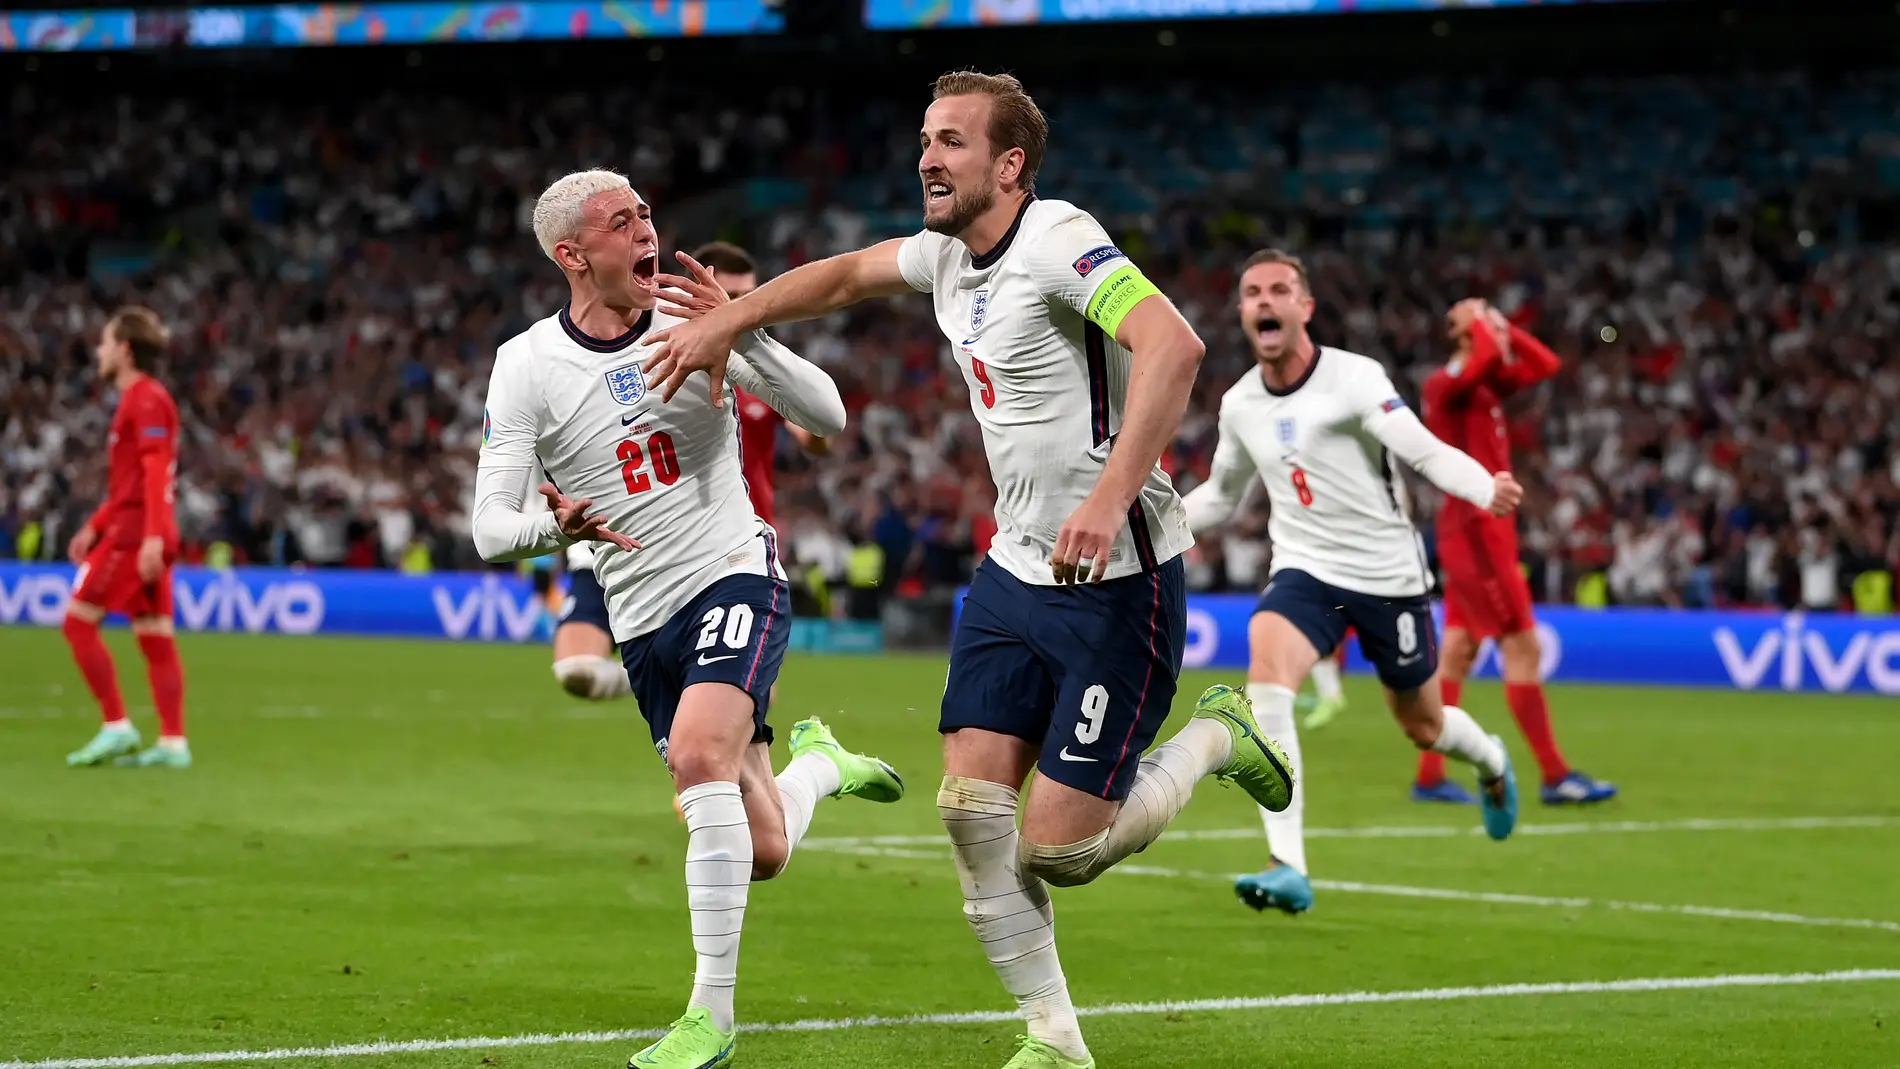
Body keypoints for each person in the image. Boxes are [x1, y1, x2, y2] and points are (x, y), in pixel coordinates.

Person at [640, 71, 1294, 1069]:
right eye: (925, 138)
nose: (927, 157)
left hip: (1119, 583)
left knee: (1061, 850)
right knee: (970, 813)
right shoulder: (946, 254)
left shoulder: (1061, 242)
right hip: (1012, 575)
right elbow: (845, 275)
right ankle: (1054, 1036)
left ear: (1009, 163)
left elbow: (1174, 345)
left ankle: (1216, 734)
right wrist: (731, 321)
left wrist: (1110, 495)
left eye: (950, 141)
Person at [471, 169, 904, 1069]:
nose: (646, 231)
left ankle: (710, 1017)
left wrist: (742, 325)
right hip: (641, 619)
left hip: (733, 573)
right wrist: (555, 527)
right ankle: (820, 766)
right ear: (572, 254)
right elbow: (487, 529)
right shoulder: (525, 365)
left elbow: (829, 414)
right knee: (765, 848)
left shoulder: (691, 318)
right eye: (620, 222)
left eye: (646, 215)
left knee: (703, 756)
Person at [1183, 250, 1524, 918]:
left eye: (1280, 289)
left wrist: (1485, 486)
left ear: (1305, 307)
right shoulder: (1241, 403)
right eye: (1252, 292)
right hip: (1305, 568)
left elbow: (1421, 448)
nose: (1264, 301)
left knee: (1423, 726)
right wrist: (1134, 523)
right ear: (1243, 312)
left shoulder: (1354, 377)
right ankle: (1288, 864)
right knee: (1267, 673)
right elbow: (1221, 499)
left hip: (1388, 575)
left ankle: (1489, 758)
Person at [547, 241, 828, 705]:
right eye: (727, 293)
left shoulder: (756, 363)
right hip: (636, 535)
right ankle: (665, 684)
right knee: (578, 671)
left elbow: (817, 435)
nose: (735, 307)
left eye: (746, 296)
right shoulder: (649, 351)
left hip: (731, 543)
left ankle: (808, 769)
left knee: (746, 709)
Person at [1418, 300, 1617, 804]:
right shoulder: (1448, 384)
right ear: (1457, 329)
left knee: (1459, 653)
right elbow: (1485, 353)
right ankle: (1555, 775)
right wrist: (1486, 324)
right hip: (1475, 531)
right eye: (1477, 312)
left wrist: (1501, 326)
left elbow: (1545, 364)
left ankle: (1429, 775)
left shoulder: (1481, 383)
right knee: (1522, 647)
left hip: (1484, 530)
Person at [62, 306, 191, 770]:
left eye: (105, 341)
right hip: (139, 527)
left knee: (77, 624)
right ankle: (173, 743)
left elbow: (155, 472)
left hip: (138, 534)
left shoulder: (145, 399)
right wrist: (95, 525)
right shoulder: (139, 400)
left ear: (126, 349)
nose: (99, 349)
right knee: (155, 637)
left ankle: (116, 725)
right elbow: (131, 482)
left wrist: (152, 537)